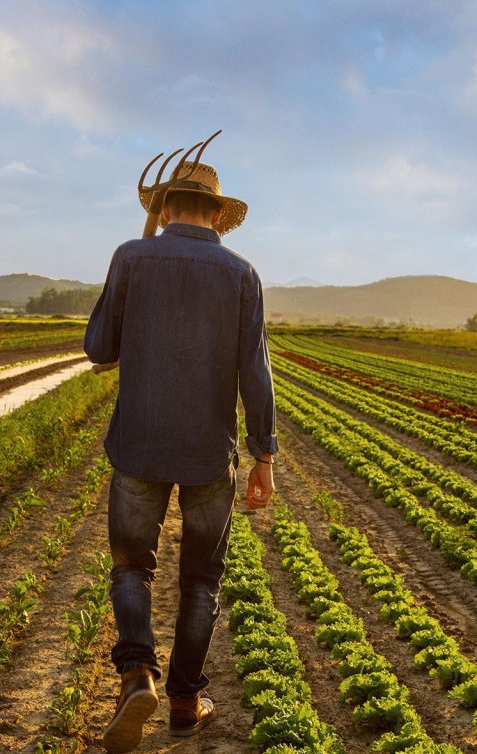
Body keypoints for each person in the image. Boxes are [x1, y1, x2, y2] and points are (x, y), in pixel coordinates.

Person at [84, 144, 277, 752]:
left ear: (165, 206)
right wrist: (264, 456)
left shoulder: (131, 256)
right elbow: (256, 373)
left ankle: (136, 673)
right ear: (218, 215)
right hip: (207, 454)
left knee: (131, 567)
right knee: (201, 580)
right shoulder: (241, 273)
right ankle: (185, 703)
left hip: (138, 444)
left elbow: (98, 346)